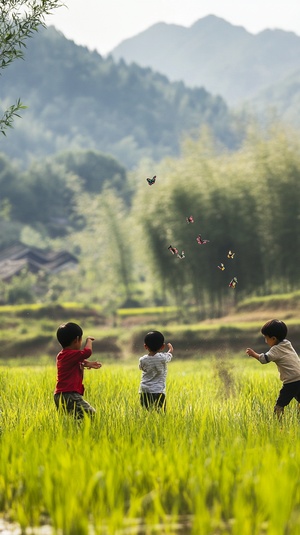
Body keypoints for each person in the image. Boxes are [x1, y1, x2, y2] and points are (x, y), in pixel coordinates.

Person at [246, 319, 300, 417]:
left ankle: (278, 426)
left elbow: (264, 359)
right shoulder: (287, 343)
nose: (266, 341)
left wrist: (253, 354)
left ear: (274, 338)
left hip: (291, 381)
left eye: (266, 338)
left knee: (279, 406)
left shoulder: (276, 349)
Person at [54, 322, 102, 419]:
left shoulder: (63, 355)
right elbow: (87, 352)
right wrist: (89, 340)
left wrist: (87, 364)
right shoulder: (70, 354)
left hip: (60, 395)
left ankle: (78, 433)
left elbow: (78, 362)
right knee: (91, 415)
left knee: (75, 420)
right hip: (69, 394)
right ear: (77, 339)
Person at [138, 330, 173, 411]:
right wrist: (170, 349)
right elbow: (169, 355)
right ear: (162, 346)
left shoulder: (142, 359)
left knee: (146, 412)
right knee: (160, 413)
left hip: (145, 391)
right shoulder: (162, 358)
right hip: (158, 390)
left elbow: (141, 367)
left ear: (145, 346)